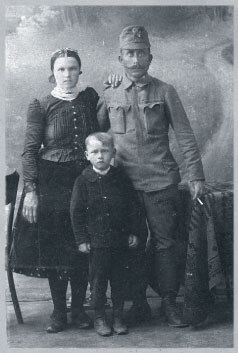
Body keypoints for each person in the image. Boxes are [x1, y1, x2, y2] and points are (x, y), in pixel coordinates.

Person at [97, 26, 205, 327]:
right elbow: (96, 135)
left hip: (161, 180)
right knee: (130, 242)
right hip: (124, 185)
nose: (135, 59)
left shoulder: (165, 91)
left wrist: (196, 175)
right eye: (129, 53)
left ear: (150, 56)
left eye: (140, 52)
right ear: (120, 57)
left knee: (165, 242)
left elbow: (184, 134)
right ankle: (138, 302)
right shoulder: (110, 92)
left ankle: (169, 301)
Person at [10, 48, 120, 333]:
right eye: (61, 69)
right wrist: (31, 190)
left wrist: (111, 91)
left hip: (84, 179)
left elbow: (104, 130)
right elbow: (30, 150)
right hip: (52, 182)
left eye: (72, 69)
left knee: (82, 242)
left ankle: (80, 309)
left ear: (79, 71)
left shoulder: (89, 99)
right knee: (57, 245)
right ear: (53, 74)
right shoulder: (41, 104)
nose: (67, 74)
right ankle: (59, 311)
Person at [70, 132, 141, 336]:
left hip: (119, 241)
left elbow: (133, 207)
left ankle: (118, 316)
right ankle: (99, 317)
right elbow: (76, 212)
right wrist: (81, 240)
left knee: (119, 280)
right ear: (87, 155)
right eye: (95, 152)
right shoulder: (83, 180)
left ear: (113, 153)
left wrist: (134, 232)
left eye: (104, 151)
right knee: (98, 281)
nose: (100, 156)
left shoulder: (121, 178)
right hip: (97, 243)